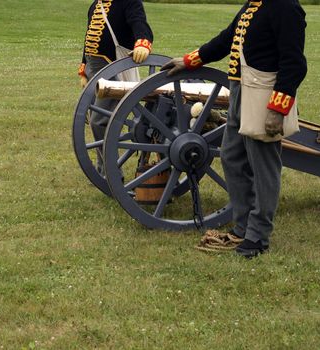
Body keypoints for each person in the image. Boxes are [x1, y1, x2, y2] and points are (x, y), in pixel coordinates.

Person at [162, 0, 307, 258]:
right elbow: (227, 40)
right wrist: (190, 60)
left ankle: (258, 235)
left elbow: (294, 63)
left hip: (264, 95)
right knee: (231, 157)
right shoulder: (254, 4)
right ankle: (242, 226)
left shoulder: (285, 6)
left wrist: (278, 107)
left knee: (263, 166)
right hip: (240, 91)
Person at [78, 0, 154, 173]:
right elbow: (88, 39)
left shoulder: (128, 2)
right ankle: (102, 167)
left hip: (110, 70)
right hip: (93, 69)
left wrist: (143, 41)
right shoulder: (95, 4)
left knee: (99, 122)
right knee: (94, 121)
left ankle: (110, 171)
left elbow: (139, 22)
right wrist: (83, 68)